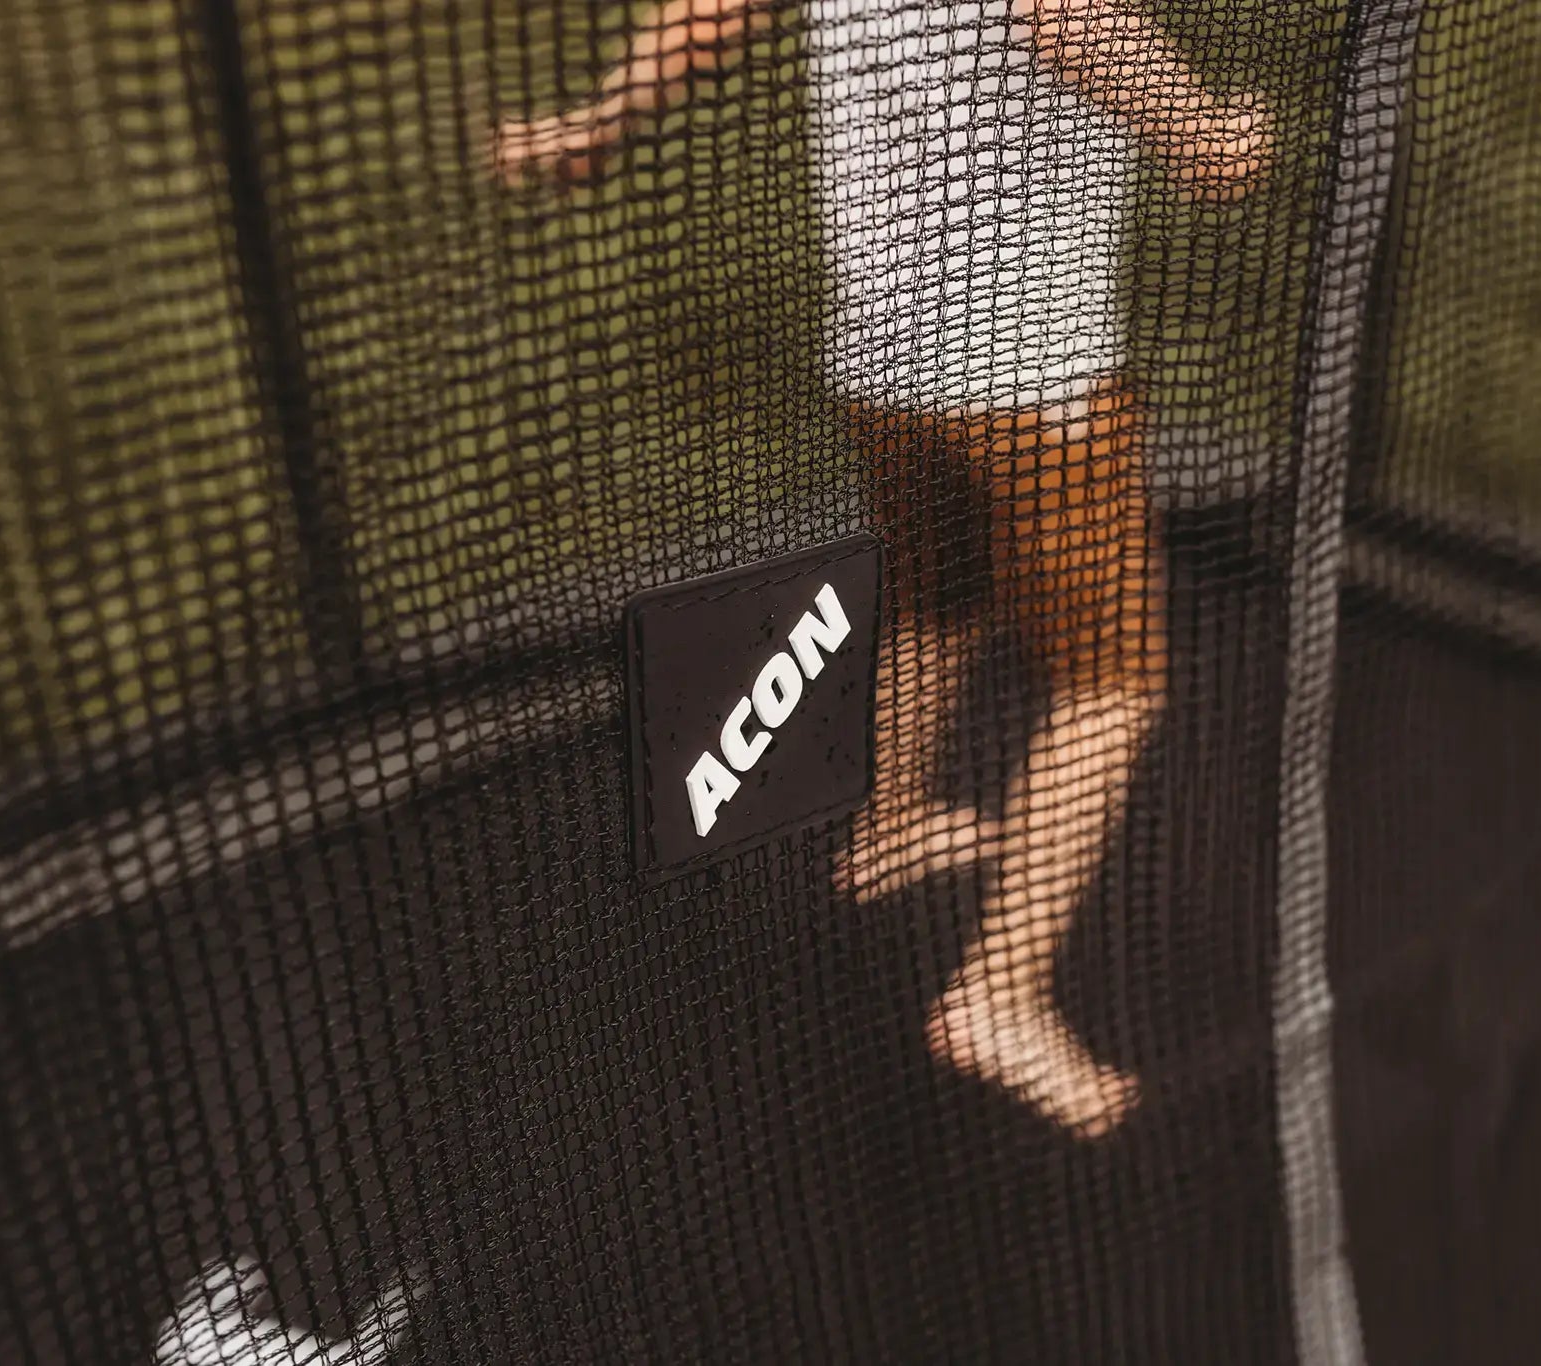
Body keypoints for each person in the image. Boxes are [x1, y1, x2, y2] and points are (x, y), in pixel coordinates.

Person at [496, 0, 1271, 1137]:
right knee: (1112, 683)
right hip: (1032, 364)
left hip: (881, 353)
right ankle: (997, 995)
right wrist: (1202, 134)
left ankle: (892, 823)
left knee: (939, 594)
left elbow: (709, 11)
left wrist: (599, 121)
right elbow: (1062, 14)